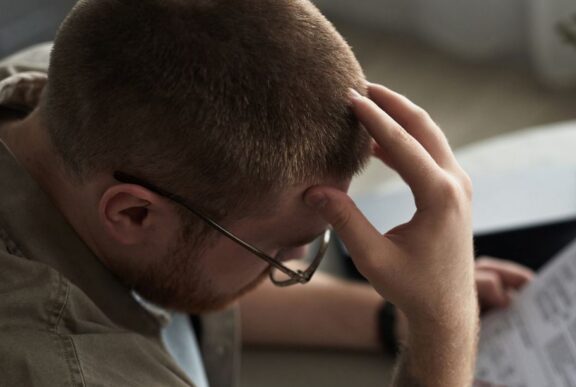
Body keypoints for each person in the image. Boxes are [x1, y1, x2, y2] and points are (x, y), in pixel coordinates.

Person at [0, 1, 532, 386]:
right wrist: (443, 327)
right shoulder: (65, 367)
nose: (298, 260)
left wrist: (393, 313)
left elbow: (187, 280)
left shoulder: (67, 92)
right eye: (274, 248)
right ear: (134, 213)